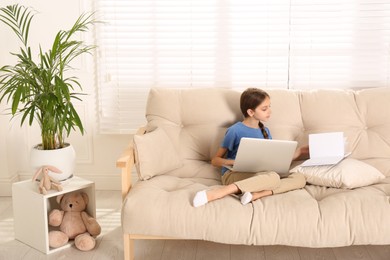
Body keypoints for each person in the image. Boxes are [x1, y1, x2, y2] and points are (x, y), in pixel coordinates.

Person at [193, 88, 309, 207]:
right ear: (251, 112)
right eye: (264, 109)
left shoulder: (265, 131)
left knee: (299, 178)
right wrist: (234, 162)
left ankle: (255, 195)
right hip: (233, 174)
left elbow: (273, 158)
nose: (270, 111)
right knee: (273, 178)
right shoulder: (235, 131)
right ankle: (218, 193)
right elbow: (215, 161)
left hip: (259, 174)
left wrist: (300, 152)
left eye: (269, 106)